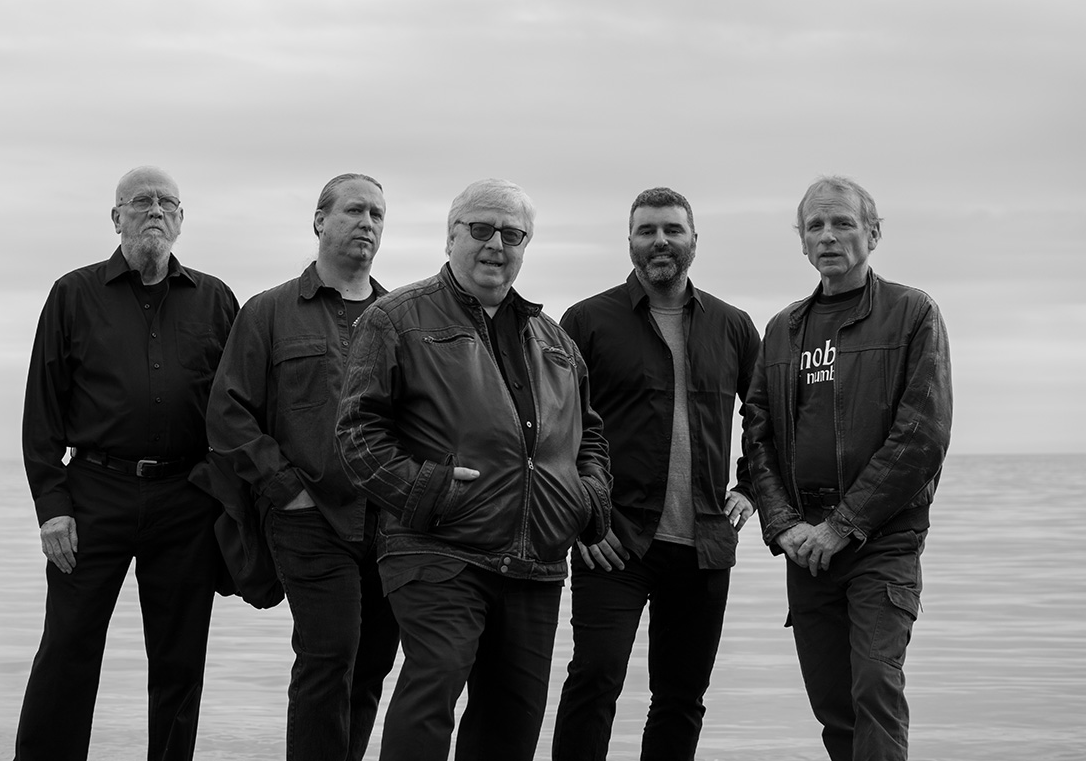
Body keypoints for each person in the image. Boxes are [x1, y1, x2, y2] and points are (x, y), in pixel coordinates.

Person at [336, 178, 612, 761]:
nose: (496, 245)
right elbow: (357, 434)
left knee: (513, 721)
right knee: (432, 691)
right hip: (438, 551)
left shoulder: (555, 342)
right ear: (450, 236)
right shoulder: (396, 319)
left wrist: (584, 500)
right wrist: (428, 489)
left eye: (512, 234)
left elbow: (591, 437)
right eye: (481, 229)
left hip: (535, 561)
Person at [16, 166, 239, 760]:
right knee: (67, 650)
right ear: (116, 218)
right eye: (141, 202)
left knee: (180, 659)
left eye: (168, 202)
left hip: (187, 500)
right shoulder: (72, 294)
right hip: (93, 496)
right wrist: (52, 508)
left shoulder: (217, 300)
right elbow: (41, 414)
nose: (155, 211)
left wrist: (236, 503)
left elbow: (238, 409)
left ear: (183, 219)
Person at [744, 176, 952, 761]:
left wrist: (844, 524)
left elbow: (923, 433)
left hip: (881, 539)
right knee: (833, 704)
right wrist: (784, 526)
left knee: (875, 688)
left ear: (874, 234)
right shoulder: (782, 329)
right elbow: (756, 434)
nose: (828, 236)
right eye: (815, 226)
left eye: (843, 223)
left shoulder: (912, 313)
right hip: (805, 545)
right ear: (803, 243)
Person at [551, 186, 761, 760]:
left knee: (682, 697)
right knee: (594, 679)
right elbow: (555, 432)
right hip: (613, 542)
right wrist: (580, 523)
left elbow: (768, 418)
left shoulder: (733, 326)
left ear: (694, 239)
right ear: (630, 243)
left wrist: (749, 485)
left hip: (702, 546)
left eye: (672, 229)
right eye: (647, 231)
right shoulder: (587, 321)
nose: (660, 240)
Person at [203, 173, 399, 760]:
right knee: (328, 654)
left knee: (372, 663)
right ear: (319, 222)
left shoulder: (401, 317)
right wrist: (285, 489)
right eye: (355, 211)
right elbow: (228, 412)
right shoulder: (268, 312)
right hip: (309, 517)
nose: (368, 223)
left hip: (388, 522)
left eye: (378, 215)